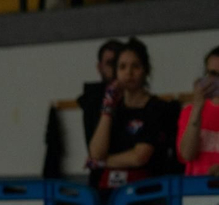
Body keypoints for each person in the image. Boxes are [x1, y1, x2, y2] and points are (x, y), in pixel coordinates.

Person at [88, 38, 180, 192]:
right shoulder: (112, 109)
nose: (128, 73)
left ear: (145, 70)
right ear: (116, 72)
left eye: (135, 66)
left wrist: (102, 163)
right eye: (122, 67)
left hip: (145, 191)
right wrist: (108, 107)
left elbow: (139, 157)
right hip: (109, 191)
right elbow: (96, 153)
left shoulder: (157, 108)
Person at [177, 46, 219, 175]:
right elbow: (187, 154)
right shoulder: (190, 111)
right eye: (213, 74)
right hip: (197, 191)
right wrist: (198, 108)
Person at [79, 39, 126, 146]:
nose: (115, 69)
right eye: (110, 63)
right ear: (100, 67)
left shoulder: (137, 98)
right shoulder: (92, 101)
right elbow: (95, 152)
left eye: (119, 64)